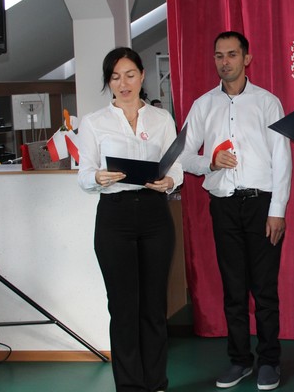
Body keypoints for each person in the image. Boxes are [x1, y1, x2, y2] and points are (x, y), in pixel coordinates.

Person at [179, 31, 291, 391]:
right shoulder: (203, 105)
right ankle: (240, 360)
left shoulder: (267, 102)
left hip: (261, 205)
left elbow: (282, 158)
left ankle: (269, 361)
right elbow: (183, 156)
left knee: (265, 289)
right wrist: (210, 163)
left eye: (231, 54)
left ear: (247, 59)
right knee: (233, 289)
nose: (224, 61)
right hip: (224, 204)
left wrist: (277, 210)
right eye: (219, 55)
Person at [77, 47, 183, 392]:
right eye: (115, 77)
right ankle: (130, 386)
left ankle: (156, 382)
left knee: (154, 305)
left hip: (154, 214)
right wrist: (98, 177)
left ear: (142, 76)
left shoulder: (161, 118)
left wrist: (170, 181)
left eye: (130, 75)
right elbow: (84, 174)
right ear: (108, 82)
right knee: (123, 308)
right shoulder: (94, 122)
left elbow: (176, 165)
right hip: (115, 215)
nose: (123, 84)